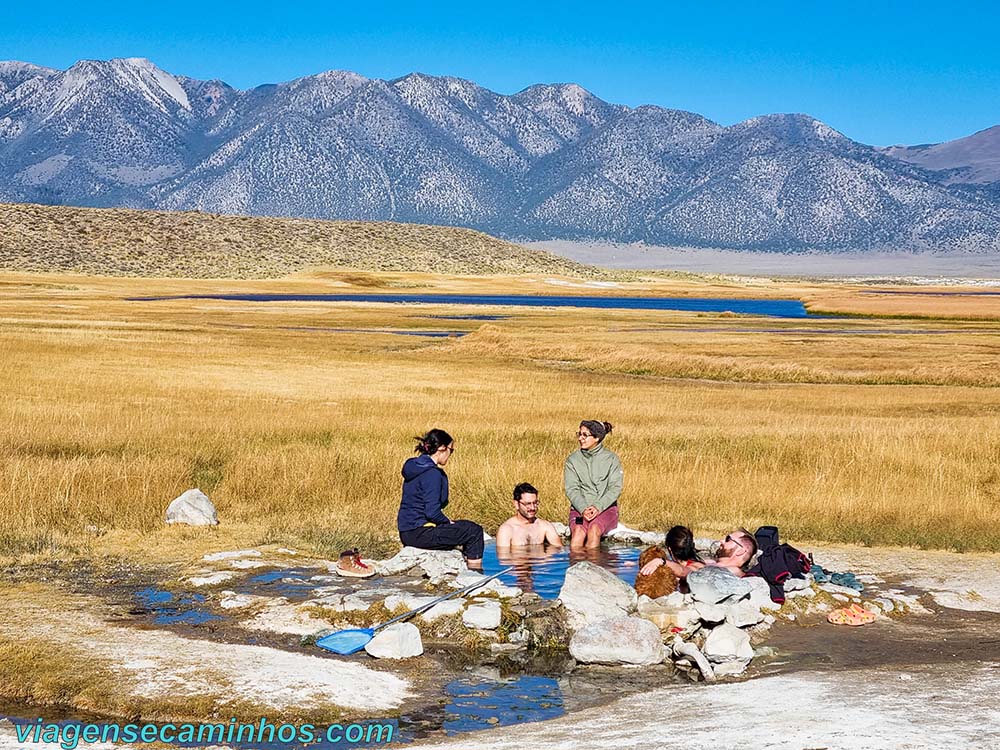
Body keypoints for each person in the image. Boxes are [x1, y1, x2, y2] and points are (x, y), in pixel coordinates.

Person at [397, 428, 484, 569]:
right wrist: (446, 522)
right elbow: (432, 512)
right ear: (442, 448)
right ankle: (475, 575)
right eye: (451, 450)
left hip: (407, 532)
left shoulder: (415, 466)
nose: (451, 454)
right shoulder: (432, 474)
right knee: (473, 531)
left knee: (464, 526)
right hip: (420, 533)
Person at [564, 420, 623, 549]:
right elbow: (571, 488)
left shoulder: (611, 459)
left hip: (605, 509)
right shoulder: (572, 460)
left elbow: (615, 488)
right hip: (579, 511)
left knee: (594, 530)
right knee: (578, 532)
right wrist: (583, 508)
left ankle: (594, 566)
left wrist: (597, 507)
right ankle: (574, 567)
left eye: (585, 435)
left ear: (596, 438)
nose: (580, 438)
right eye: (579, 434)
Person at [639, 527, 756, 580]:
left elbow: (689, 572)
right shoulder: (710, 563)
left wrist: (661, 562)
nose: (721, 541)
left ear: (741, 551)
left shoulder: (734, 571)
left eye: (728, 539)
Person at [634, 525, 702, 597]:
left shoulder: (697, 566)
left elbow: (685, 572)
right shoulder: (672, 569)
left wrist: (661, 561)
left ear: (669, 549)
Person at [495, 482, 564, 548]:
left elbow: (560, 550)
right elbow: (504, 558)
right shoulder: (506, 530)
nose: (532, 508)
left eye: (535, 503)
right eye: (527, 504)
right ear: (516, 504)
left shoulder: (544, 526)